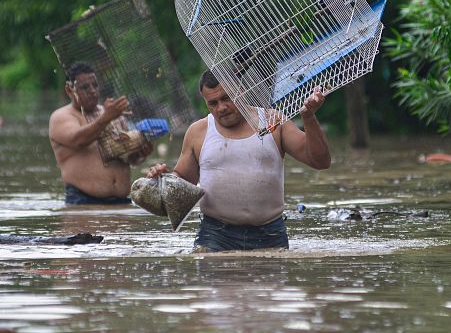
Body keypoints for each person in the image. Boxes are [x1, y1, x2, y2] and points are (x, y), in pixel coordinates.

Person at [147, 70, 331, 251]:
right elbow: (183, 183)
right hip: (215, 234)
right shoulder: (198, 131)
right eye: (213, 103)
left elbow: (320, 161)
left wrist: (309, 118)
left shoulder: (273, 121)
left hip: (270, 233)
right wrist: (162, 181)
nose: (221, 108)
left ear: (241, 92)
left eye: (227, 98)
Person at [49, 61, 151, 205]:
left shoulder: (111, 113)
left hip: (122, 202)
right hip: (83, 203)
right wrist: (107, 118)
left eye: (95, 85)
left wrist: (140, 154)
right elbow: (79, 139)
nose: (92, 91)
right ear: (69, 90)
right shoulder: (62, 117)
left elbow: (128, 157)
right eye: (85, 87)